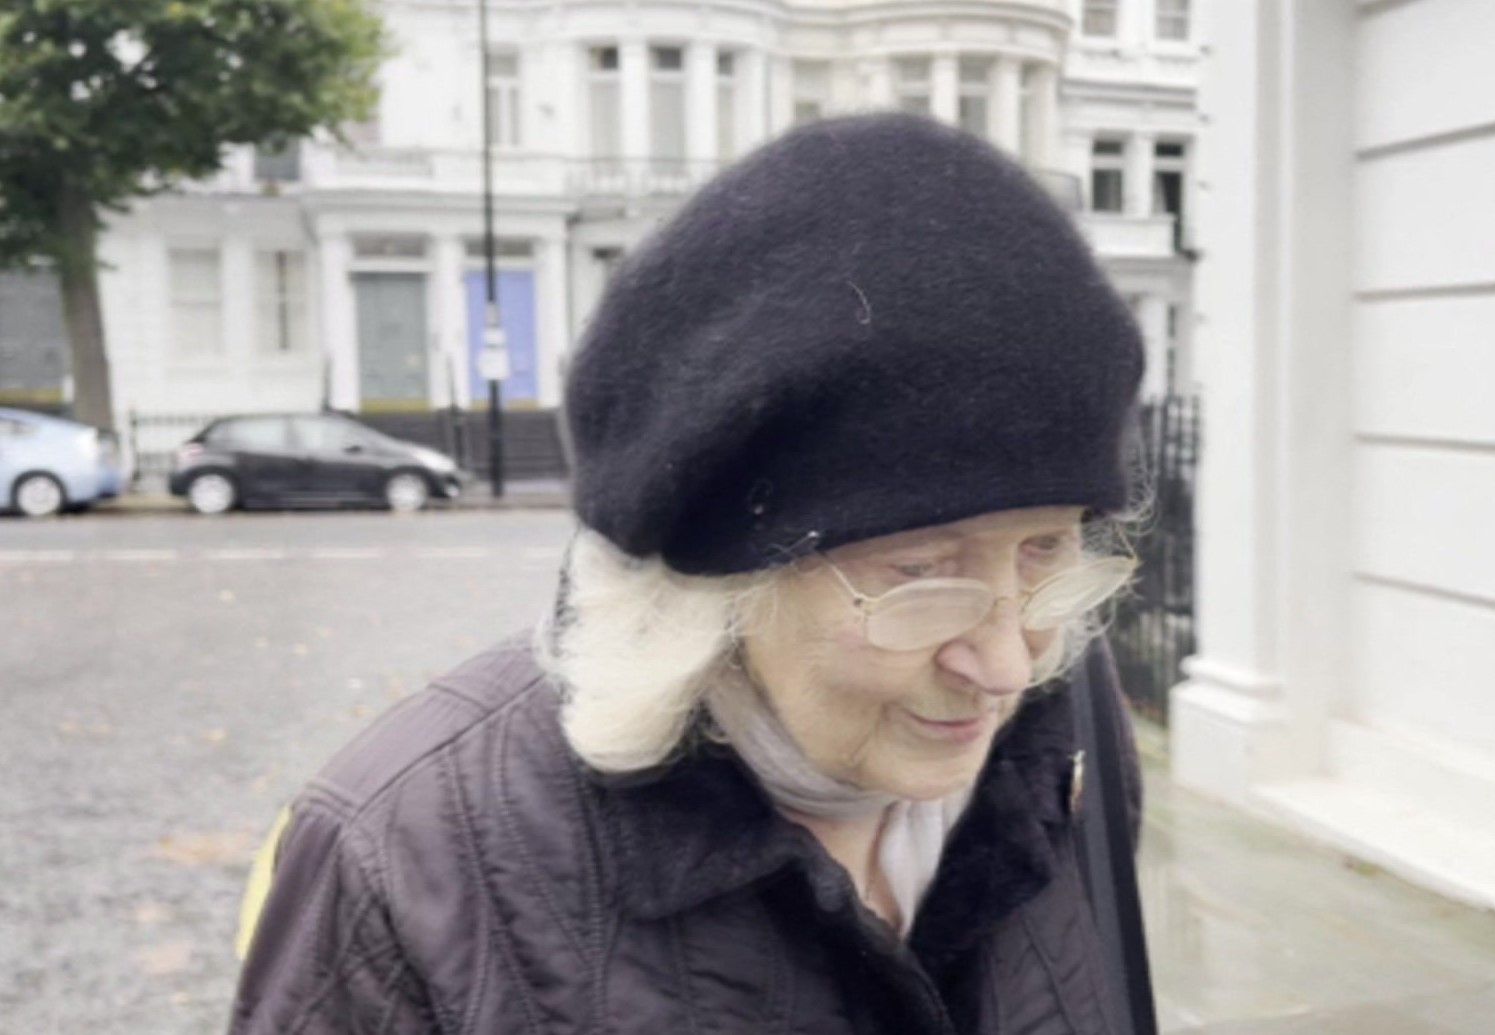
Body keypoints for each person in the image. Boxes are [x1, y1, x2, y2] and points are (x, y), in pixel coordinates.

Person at [230, 111, 1148, 1034]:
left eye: (1047, 550)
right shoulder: (408, 860)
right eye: (918, 573)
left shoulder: (1065, 743)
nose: (1005, 664)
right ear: (718, 595)